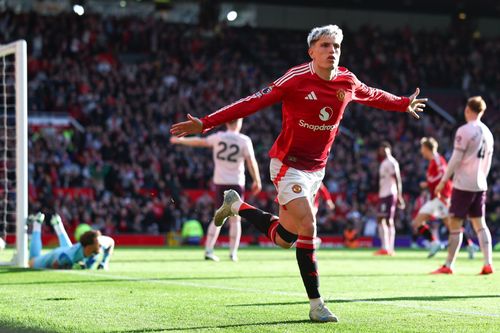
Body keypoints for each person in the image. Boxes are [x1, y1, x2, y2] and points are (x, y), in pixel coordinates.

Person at [171, 24, 426, 322]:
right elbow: (252, 102)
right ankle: (317, 304)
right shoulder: (295, 79)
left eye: (336, 47)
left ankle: (236, 205)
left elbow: (373, 95)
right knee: (309, 224)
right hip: (287, 164)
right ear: (311, 51)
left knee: (284, 238)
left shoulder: (347, 81)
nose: (332, 51)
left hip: (316, 170)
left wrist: (403, 103)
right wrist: (206, 122)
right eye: (325, 46)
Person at [170, 119, 262, 261]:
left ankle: (208, 250)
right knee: (235, 220)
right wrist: (257, 180)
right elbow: (251, 161)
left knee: (218, 217)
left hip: (220, 183)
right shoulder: (244, 140)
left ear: (227, 123)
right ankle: (233, 253)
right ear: (239, 123)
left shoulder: (218, 137)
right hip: (236, 182)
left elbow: (199, 141)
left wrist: (181, 140)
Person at [432, 96, 494, 275]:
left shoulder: (464, 130)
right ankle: (488, 263)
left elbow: (455, 159)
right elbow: (488, 162)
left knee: (455, 223)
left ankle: (448, 265)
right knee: (480, 224)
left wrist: (443, 181)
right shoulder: (488, 133)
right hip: (480, 183)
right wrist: (482, 178)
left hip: (463, 184)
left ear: (468, 110)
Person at [411, 137, 452, 258]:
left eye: (422, 148)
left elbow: (443, 174)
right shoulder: (433, 161)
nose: (421, 151)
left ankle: (470, 245)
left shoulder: (437, 159)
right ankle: (434, 242)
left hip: (442, 196)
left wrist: (428, 183)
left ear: (427, 148)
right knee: (418, 221)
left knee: (451, 225)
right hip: (436, 198)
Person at [28, 213, 111, 270]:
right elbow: (55, 265)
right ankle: (37, 223)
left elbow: (111, 242)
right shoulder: (68, 257)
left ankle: (58, 224)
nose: (100, 245)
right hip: (55, 255)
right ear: (88, 246)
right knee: (32, 261)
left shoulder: (99, 243)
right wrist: (72, 267)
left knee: (68, 248)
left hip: (68, 249)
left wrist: (104, 262)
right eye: (98, 244)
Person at [374, 141, 405, 256]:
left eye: (384, 149)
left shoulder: (392, 162)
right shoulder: (383, 163)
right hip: (383, 194)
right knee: (380, 219)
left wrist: (400, 195)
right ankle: (385, 247)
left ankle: (390, 248)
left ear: (389, 149)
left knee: (388, 220)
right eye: (381, 149)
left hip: (390, 194)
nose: (382, 151)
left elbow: (397, 179)